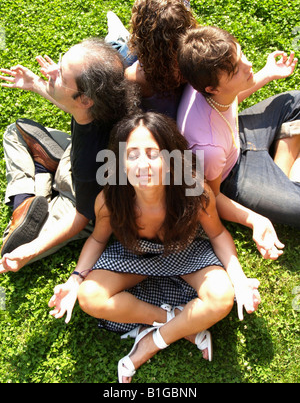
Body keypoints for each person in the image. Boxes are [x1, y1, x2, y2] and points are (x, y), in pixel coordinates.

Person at [48, 112, 261, 383]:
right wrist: (76, 280)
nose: (142, 164)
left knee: (221, 297)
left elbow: (218, 235)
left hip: (186, 252)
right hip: (133, 254)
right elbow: (98, 240)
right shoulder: (110, 199)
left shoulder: (194, 191)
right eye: (132, 154)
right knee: (90, 297)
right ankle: (179, 323)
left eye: (153, 153)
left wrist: (239, 280)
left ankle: (150, 343)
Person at [0, 38, 139, 273]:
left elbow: (82, 217)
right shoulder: (109, 102)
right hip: (73, 158)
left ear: (85, 99)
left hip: (81, 200)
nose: (52, 72)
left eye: (61, 75)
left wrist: (31, 250)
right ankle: (43, 173)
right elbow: (73, 105)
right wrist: (35, 83)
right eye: (61, 61)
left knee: (12, 249)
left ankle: (33, 190)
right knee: (16, 131)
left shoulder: (90, 160)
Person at [177, 25, 299, 258]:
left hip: (241, 132)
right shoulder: (207, 147)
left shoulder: (206, 83)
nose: (248, 65)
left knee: (295, 101)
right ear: (211, 88)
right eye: (236, 70)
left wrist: (269, 73)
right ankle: (282, 170)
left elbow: (229, 100)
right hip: (233, 174)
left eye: (240, 54)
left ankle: (280, 173)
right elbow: (211, 197)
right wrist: (254, 219)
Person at [107, 0, 197, 120]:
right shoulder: (193, 54)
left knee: (115, 50)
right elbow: (177, 32)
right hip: (175, 116)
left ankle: (116, 36)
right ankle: (118, 35)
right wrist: (183, 4)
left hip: (155, 123)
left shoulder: (133, 76)